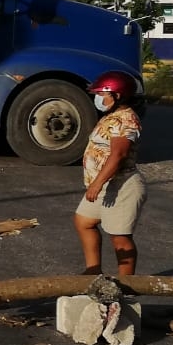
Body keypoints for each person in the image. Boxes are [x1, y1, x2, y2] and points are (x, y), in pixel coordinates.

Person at [74, 71, 146, 277]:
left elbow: (119, 154)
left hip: (122, 185)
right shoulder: (112, 117)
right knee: (84, 221)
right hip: (105, 183)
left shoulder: (127, 120)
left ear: (117, 96)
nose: (98, 98)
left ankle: (127, 284)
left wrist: (97, 183)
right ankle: (93, 270)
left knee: (119, 237)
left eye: (102, 94)